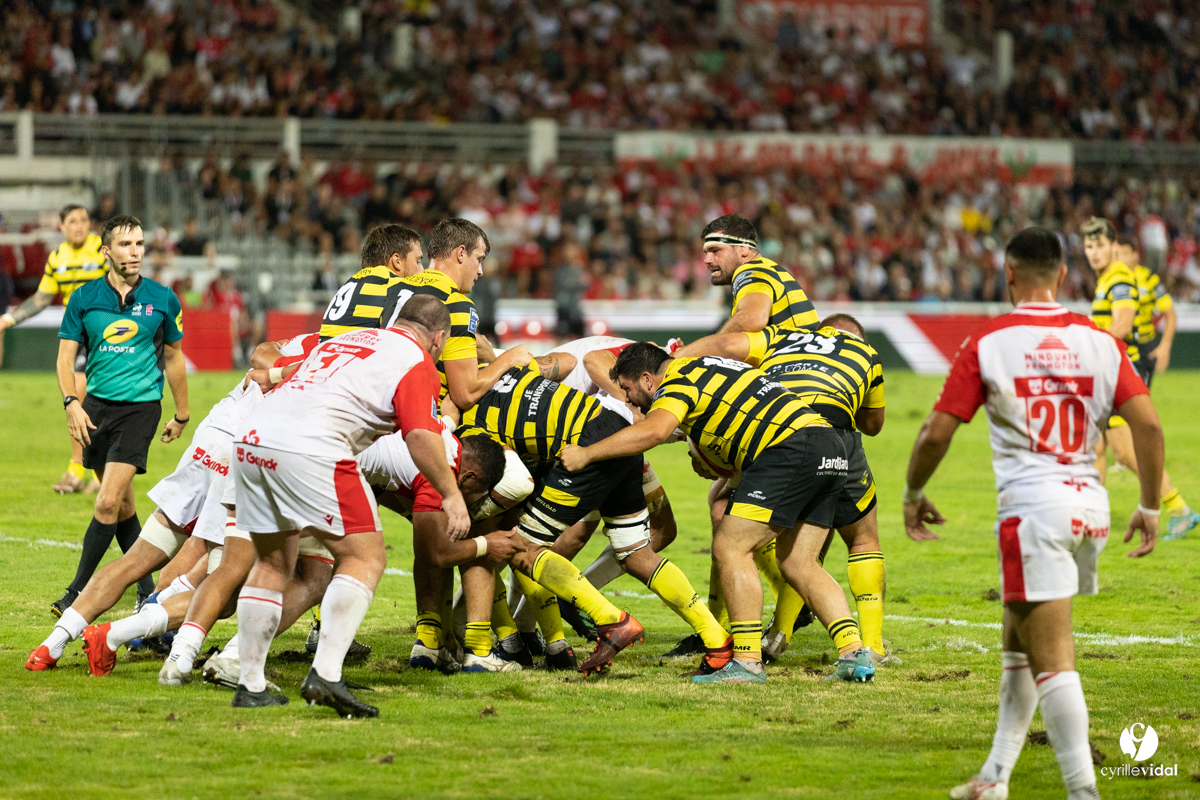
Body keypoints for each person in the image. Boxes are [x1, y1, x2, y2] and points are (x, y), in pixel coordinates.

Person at [903, 227, 1163, 800]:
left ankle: (1082, 789)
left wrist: (912, 492)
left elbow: (935, 433)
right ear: (1066, 275)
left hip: (1034, 513)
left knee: (1053, 659)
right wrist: (1148, 505)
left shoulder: (989, 342)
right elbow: (1146, 424)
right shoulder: (1099, 341)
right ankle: (995, 777)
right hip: (1089, 506)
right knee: (1019, 640)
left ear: (1009, 273)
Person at [560, 344, 874, 684]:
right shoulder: (710, 366)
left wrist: (587, 454)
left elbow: (654, 432)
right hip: (830, 446)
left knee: (731, 547)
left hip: (791, 448)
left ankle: (748, 663)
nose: (630, 401)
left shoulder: (676, 380)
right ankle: (854, 654)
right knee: (799, 562)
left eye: (628, 389)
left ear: (648, 379)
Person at [231, 296, 464, 717]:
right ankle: (326, 674)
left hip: (252, 438)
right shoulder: (416, 360)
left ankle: (248, 683)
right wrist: (450, 493)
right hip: (313, 448)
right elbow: (420, 435)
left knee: (271, 563)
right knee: (365, 557)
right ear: (439, 339)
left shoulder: (351, 338)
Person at [458, 364, 727, 677]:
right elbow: (558, 361)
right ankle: (717, 640)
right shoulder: (511, 370)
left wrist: (475, 512)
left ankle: (611, 619)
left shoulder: (471, 424)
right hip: (619, 432)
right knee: (637, 554)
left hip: (587, 445)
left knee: (520, 548)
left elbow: (518, 483)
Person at [667, 314, 892, 665]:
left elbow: (725, 345)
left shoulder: (779, 338)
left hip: (774, 430)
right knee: (859, 539)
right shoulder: (864, 351)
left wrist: (674, 362)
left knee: (725, 517)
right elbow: (873, 424)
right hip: (831, 437)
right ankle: (870, 648)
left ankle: (755, 642)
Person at [51, 215, 189, 617]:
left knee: (107, 503)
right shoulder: (83, 298)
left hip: (141, 410)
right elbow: (63, 358)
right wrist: (71, 403)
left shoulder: (163, 298)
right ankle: (148, 593)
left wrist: (181, 414)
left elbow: (175, 356)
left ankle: (76, 594)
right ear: (106, 251)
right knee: (125, 509)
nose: (135, 252)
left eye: (140, 244)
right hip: (94, 409)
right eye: (126, 245)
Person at [1082, 218, 1196, 539]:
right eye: (1089, 246)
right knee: (1097, 447)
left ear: (1115, 247)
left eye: (1101, 245)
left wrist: (1085, 341)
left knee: (1126, 452)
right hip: (1113, 368)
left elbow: (1122, 324)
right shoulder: (1109, 277)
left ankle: (1178, 508)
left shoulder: (1119, 277)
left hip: (1121, 369)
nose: (1094, 252)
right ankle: (1092, 516)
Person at [0, 205, 107, 494]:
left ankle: (93, 471)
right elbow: (41, 298)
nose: (79, 225)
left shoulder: (101, 249)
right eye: (72, 221)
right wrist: (7, 319)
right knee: (76, 396)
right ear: (61, 227)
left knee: (86, 394)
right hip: (77, 333)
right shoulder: (57, 258)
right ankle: (81, 469)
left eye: (84, 219)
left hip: (105, 332)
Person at [701, 213, 819, 333]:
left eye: (715, 251)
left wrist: (706, 349)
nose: (707, 260)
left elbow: (753, 319)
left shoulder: (750, 272)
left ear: (743, 249)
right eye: (706, 253)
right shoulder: (769, 269)